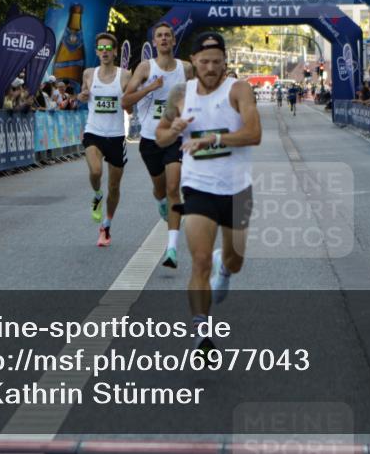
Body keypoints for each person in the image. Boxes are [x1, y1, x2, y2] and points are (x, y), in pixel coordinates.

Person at [153, 32, 261, 352]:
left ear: (225, 62)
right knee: (198, 260)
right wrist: (172, 129)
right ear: (194, 63)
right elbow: (160, 137)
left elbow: (253, 134)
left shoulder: (239, 90)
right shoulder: (180, 94)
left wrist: (212, 140)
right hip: (198, 185)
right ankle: (202, 334)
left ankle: (225, 268)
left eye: (217, 61)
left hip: (237, 188)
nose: (211, 68)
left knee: (235, 259)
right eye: (205, 62)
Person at [121, 22, 193, 269]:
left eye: (167, 36)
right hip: (150, 140)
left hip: (176, 138)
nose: (163, 39)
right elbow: (125, 102)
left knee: (174, 187)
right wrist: (150, 87)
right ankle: (161, 202)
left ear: (174, 41)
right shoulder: (144, 67)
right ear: (154, 42)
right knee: (161, 190)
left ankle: (171, 248)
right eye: (159, 36)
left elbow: (200, 96)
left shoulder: (186, 68)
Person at [78, 32, 132, 248]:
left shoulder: (126, 75)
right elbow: (84, 93)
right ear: (97, 51)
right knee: (96, 172)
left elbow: (129, 101)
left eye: (109, 48)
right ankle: (97, 195)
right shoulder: (89, 73)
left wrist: (129, 104)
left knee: (115, 186)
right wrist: (82, 95)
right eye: (101, 48)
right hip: (94, 132)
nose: (105, 52)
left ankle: (106, 226)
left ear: (115, 52)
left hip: (116, 135)